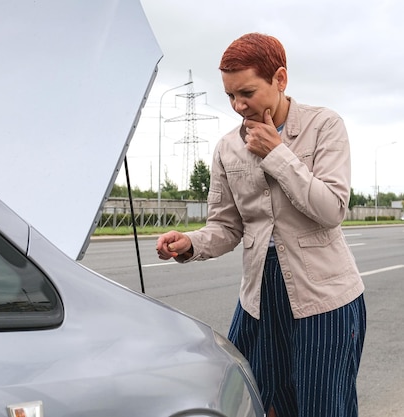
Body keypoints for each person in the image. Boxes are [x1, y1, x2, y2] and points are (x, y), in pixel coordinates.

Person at [156, 33, 366, 417]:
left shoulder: (324, 126)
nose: (238, 105)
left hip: (323, 295)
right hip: (259, 297)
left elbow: (331, 209)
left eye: (247, 92)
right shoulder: (227, 148)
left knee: (321, 407)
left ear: (280, 79)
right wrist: (190, 243)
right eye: (230, 96)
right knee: (249, 399)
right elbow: (226, 226)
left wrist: (277, 153)